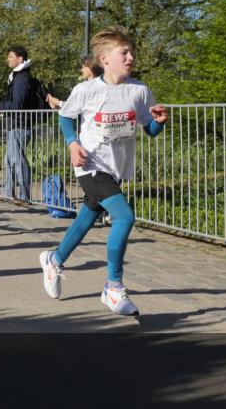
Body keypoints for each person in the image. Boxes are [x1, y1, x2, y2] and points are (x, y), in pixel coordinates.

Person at [37, 26, 167, 316]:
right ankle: (113, 286)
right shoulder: (87, 89)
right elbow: (66, 118)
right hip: (90, 165)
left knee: (86, 218)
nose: (131, 56)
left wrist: (160, 121)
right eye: (124, 52)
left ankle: (54, 260)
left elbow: (151, 130)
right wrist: (72, 144)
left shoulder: (139, 90)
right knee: (124, 216)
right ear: (105, 58)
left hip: (115, 168)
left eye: (131, 51)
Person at [0, 45, 40, 204]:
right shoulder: (18, 77)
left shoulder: (21, 78)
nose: (8, 59)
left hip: (20, 125)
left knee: (17, 160)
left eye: (11, 56)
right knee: (9, 159)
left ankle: (25, 196)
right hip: (16, 124)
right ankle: (8, 193)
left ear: (20, 59)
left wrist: (0, 107)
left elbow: (18, 104)